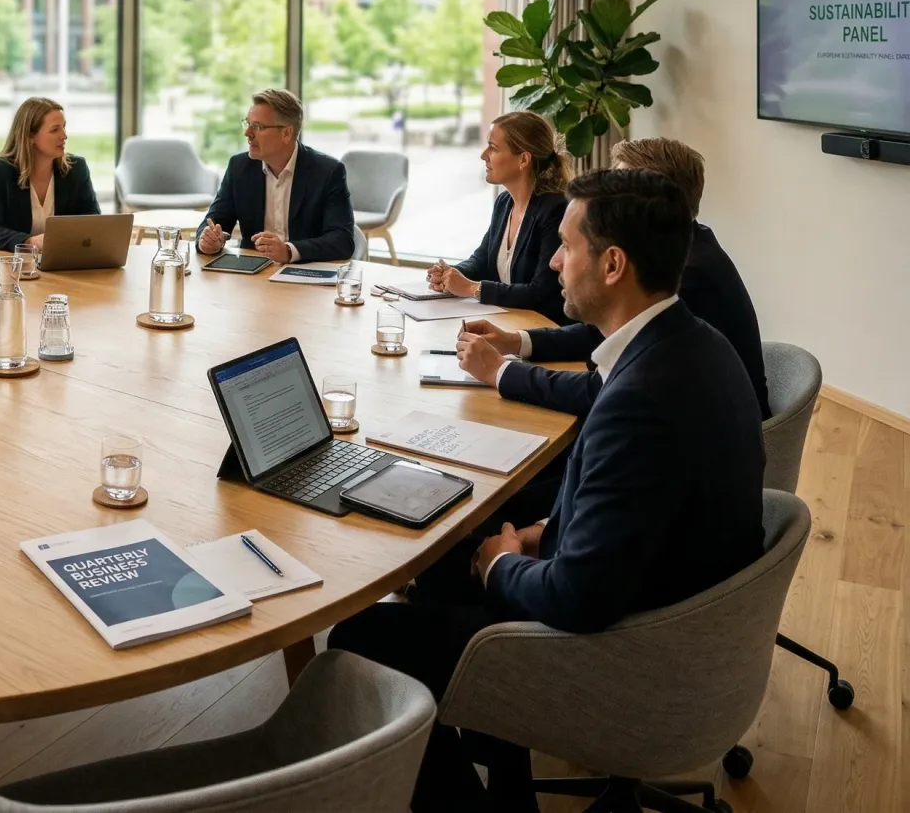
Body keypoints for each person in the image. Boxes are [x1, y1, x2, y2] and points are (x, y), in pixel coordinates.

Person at [326, 169, 765, 812]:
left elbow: (576, 598)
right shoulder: (696, 345)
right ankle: (506, 774)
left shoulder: (639, 398)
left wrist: (500, 561)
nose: (554, 261)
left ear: (613, 264)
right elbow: (638, 512)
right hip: (675, 604)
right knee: (450, 553)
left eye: (566, 245)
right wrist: (537, 535)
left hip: (626, 654)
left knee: (361, 638)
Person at [457, 137, 770, 419]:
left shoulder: (683, 274)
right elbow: (598, 335)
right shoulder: (689, 242)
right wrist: (517, 341)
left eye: (615, 189)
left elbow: (606, 392)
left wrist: (502, 372)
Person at [425, 111, 569, 323]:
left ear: (523, 159)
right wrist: (451, 274)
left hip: (543, 331)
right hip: (510, 322)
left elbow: (541, 293)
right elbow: (482, 260)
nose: (483, 155)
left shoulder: (555, 210)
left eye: (493, 148)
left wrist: (472, 288)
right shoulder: (504, 203)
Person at [194, 88, 354, 264]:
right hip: (253, 274)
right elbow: (214, 221)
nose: (247, 133)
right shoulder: (239, 167)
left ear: (286, 133)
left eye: (257, 127)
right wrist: (208, 242)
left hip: (307, 275)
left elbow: (342, 240)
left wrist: (288, 251)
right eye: (247, 123)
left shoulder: (328, 171)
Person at [0, 96, 100, 251]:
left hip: (65, 264)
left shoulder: (76, 168)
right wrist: (31, 243)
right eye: (55, 130)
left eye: (64, 127)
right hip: (18, 267)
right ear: (30, 136)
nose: (64, 135)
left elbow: (94, 223)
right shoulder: (1, 170)